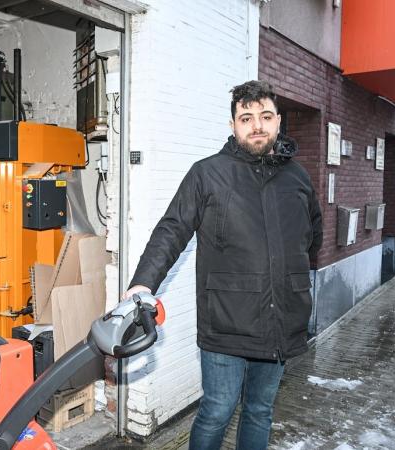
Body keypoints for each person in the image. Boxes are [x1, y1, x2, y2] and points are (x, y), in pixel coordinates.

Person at [125, 80, 323, 450]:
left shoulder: (298, 178)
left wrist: (291, 276)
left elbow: (312, 236)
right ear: (233, 125)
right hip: (227, 319)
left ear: (278, 122)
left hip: (280, 319)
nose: (257, 125)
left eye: (265, 116)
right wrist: (143, 283)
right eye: (246, 118)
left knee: (260, 410)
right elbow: (173, 229)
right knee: (218, 408)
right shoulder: (208, 173)